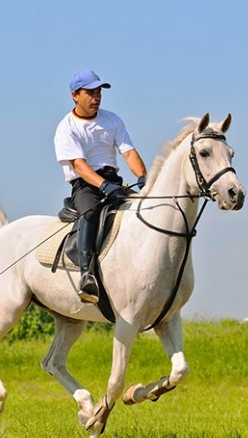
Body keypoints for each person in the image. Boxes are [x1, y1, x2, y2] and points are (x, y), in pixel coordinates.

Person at [54, 69, 147, 304]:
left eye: (98, 92)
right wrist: (103, 185)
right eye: (90, 93)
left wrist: (143, 177)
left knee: (143, 210)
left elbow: (129, 153)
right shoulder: (66, 127)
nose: (96, 97)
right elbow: (79, 165)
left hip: (112, 182)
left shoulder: (112, 120)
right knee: (90, 212)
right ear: (75, 95)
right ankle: (87, 274)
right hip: (85, 185)